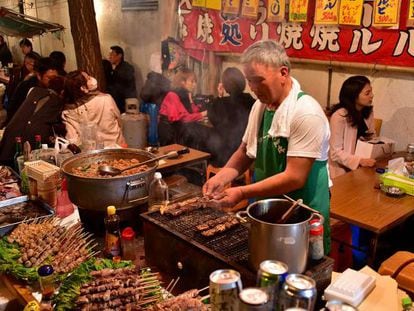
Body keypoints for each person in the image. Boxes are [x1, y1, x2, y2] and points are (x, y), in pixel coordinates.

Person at [203, 40, 331, 254]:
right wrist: (222, 177)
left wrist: (242, 191)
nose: (252, 88)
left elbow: (295, 177)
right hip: (267, 211)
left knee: (300, 276)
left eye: (258, 80)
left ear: (283, 73)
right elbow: (245, 151)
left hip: (301, 217)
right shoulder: (260, 106)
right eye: (249, 81)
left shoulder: (306, 112)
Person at [0, 75, 65, 168]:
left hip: (10, 135)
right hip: (32, 142)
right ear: (62, 92)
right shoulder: (59, 103)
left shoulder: (33, 90)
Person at [62, 70, 125, 148]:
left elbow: (72, 138)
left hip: (91, 153)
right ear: (83, 88)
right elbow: (119, 121)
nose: (92, 79)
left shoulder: (69, 111)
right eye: (88, 78)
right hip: (116, 147)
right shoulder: (106, 99)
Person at [328, 75, 376, 178]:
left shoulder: (368, 112)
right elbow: (335, 153)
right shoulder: (339, 116)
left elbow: (372, 138)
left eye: (371, 92)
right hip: (340, 170)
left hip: (363, 167)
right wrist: (360, 161)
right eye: (367, 93)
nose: (372, 95)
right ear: (354, 96)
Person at [207, 67, 255, 166]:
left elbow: (212, 119)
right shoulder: (250, 100)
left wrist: (219, 96)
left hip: (223, 155)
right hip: (246, 154)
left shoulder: (221, 103)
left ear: (225, 85)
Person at [158, 67, 208, 148]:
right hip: (169, 133)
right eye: (192, 81)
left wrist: (191, 100)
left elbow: (191, 111)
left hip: (177, 131)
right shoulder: (172, 95)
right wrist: (203, 114)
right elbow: (184, 118)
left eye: (195, 82)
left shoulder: (185, 94)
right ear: (182, 82)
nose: (194, 84)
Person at [5, 56, 56, 124]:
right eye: (49, 78)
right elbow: (12, 110)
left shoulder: (57, 87)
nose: (53, 81)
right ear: (39, 76)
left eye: (55, 78)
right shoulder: (25, 87)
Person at [105, 45, 137, 113]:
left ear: (119, 56)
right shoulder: (115, 69)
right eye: (109, 54)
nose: (109, 57)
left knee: (131, 121)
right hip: (120, 104)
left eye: (112, 54)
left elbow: (125, 86)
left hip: (128, 102)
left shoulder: (127, 68)